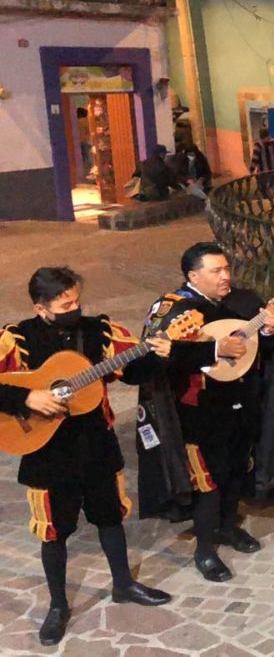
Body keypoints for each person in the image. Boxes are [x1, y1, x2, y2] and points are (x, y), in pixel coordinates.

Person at [0, 268, 173, 646]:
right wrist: (25, 398)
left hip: (96, 445)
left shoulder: (98, 331)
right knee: (55, 532)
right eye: (64, 304)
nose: (74, 308)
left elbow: (130, 371)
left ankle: (124, 584)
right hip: (46, 452)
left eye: (76, 300)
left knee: (109, 517)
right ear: (40, 307)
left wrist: (158, 356)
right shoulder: (17, 339)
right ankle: (58, 605)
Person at [139, 243, 274, 582]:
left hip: (240, 402)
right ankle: (205, 550)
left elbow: (256, 352)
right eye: (216, 271)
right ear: (193, 275)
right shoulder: (171, 309)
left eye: (226, 269)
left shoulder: (241, 302)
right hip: (197, 412)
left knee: (237, 470)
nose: (226, 276)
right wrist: (213, 349)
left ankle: (228, 527)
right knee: (208, 481)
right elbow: (157, 356)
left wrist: (267, 332)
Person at [250, 127, 274, 195]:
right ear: (268, 133)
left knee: (263, 190)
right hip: (273, 171)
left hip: (262, 173)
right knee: (272, 188)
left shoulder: (258, 144)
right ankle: (272, 202)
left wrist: (251, 171)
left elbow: (255, 159)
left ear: (260, 134)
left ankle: (267, 200)